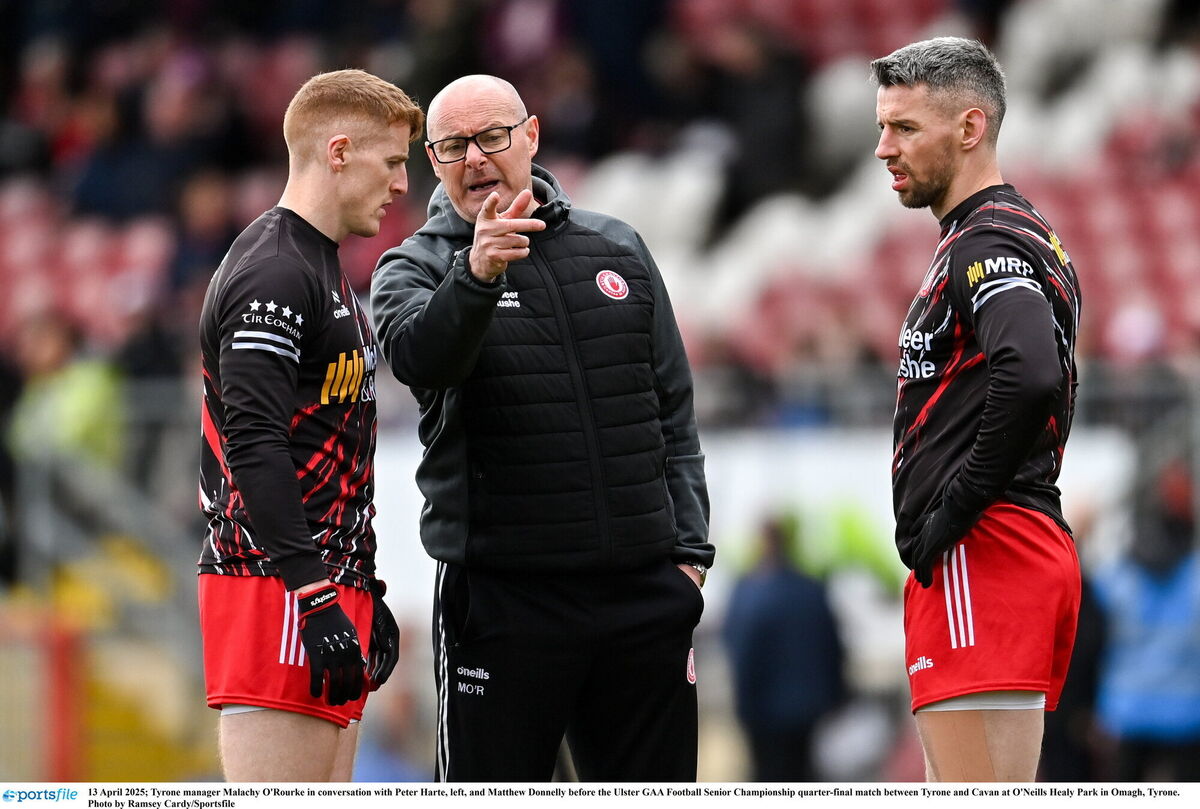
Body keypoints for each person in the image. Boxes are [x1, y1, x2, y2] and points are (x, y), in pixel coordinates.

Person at [371, 74, 712, 782]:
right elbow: (420, 359)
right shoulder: (414, 265)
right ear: (432, 162)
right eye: (453, 146)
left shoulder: (617, 247)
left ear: (529, 136)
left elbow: (672, 407)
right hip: (504, 602)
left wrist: (688, 552)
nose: (475, 158)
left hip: (642, 596)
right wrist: (476, 273)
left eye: (492, 137)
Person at [196, 69, 424, 782]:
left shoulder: (323, 267)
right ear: (338, 151)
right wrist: (315, 593)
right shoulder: (273, 271)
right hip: (275, 587)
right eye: (391, 162)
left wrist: (364, 586)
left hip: (325, 583)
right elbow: (254, 442)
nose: (400, 186)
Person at [872, 37, 1082, 781]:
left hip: (986, 551)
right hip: (1002, 550)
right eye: (881, 127)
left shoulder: (986, 240)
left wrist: (953, 510)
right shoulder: (1014, 233)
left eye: (903, 128)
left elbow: (1029, 374)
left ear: (969, 128)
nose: (882, 148)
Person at [723, 514, 845, 781]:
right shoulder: (811, 589)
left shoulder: (747, 594)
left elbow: (739, 652)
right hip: (807, 710)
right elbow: (833, 648)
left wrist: (742, 708)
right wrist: (837, 697)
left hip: (762, 713)